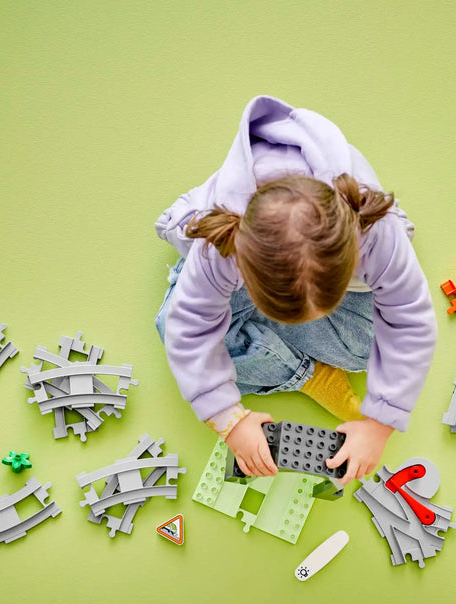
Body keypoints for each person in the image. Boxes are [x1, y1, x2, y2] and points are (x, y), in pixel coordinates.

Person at [154, 95, 436, 485]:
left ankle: (266, 347)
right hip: (237, 263)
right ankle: (306, 374)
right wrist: (230, 421)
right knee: (172, 328)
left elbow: (410, 320)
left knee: (366, 351)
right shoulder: (222, 244)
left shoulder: (376, 231)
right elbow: (188, 329)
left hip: (333, 268)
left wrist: (380, 423)